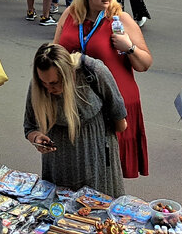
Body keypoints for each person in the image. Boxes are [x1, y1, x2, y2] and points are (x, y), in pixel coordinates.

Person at [54, 0, 151, 179]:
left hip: (112, 103)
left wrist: (129, 47)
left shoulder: (120, 19)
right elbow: (55, 53)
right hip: (77, 101)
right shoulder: (70, 14)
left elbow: (145, 64)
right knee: (79, 165)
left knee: (107, 172)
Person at [24, 42, 127, 196]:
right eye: (44, 83)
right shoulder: (38, 85)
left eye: (54, 83)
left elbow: (120, 121)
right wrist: (36, 138)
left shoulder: (93, 71)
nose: (49, 89)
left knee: (99, 205)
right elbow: (30, 126)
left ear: (69, 74)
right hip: (58, 166)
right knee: (60, 208)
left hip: (97, 163)